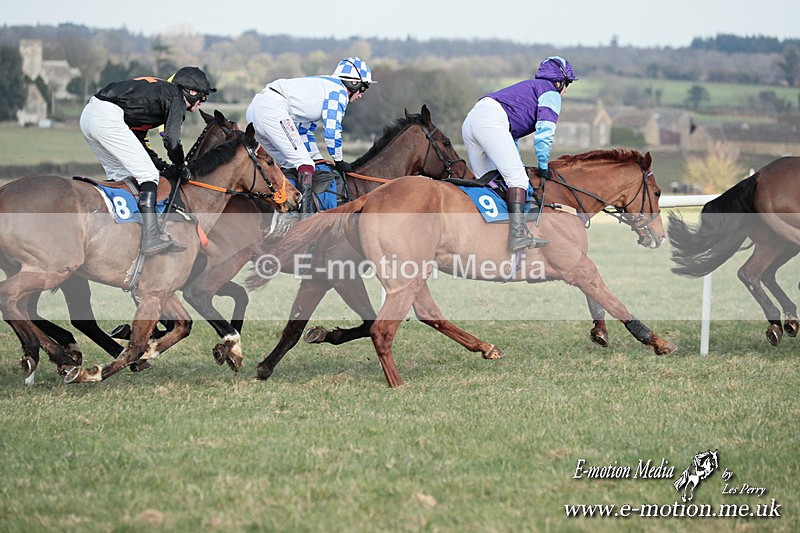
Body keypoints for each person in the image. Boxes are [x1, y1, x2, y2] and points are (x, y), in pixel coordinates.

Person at [80, 66, 216, 256]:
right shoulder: (176, 98)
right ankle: (151, 238)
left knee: (124, 177)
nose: (202, 102)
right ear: (191, 92)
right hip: (107, 117)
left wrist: (163, 166)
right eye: (202, 97)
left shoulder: (155, 99)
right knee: (148, 176)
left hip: (90, 115)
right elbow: (171, 140)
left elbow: (139, 144)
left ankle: (116, 232)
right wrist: (179, 165)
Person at [461, 56, 578, 251]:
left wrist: (515, 163)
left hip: (472, 120)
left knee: (489, 182)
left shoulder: (528, 88)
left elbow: (510, 137)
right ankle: (517, 237)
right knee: (518, 180)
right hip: (491, 122)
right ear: (558, 82)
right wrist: (542, 166)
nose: (566, 90)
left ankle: (487, 237)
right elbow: (544, 135)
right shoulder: (550, 93)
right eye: (567, 84)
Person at [246, 56, 375, 214]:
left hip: (256, 109)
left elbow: (304, 131)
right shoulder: (339, 92)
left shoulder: (323, 86)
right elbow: (332, 131)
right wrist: (339, 160)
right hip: (273, 110)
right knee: (304, 163)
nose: (361, 95)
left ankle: (282, 212)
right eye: (363, 88)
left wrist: (316, 156)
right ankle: (306, 219)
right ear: (353, 82)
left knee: (287, 165)